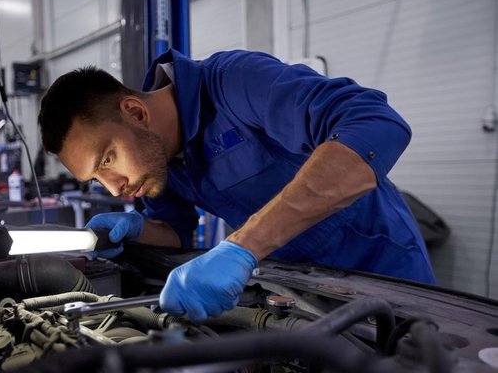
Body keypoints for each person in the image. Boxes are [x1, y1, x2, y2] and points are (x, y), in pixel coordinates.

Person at [37, 49, 436, 322]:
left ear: (136, 112)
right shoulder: (158, 163)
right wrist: (137, 229)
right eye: (96, 177)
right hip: (296, 292)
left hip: (385, 276)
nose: (113, 187)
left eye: (107, 159)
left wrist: (243, 247)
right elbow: (177, 231)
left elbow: (377, 125)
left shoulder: (235, 82)